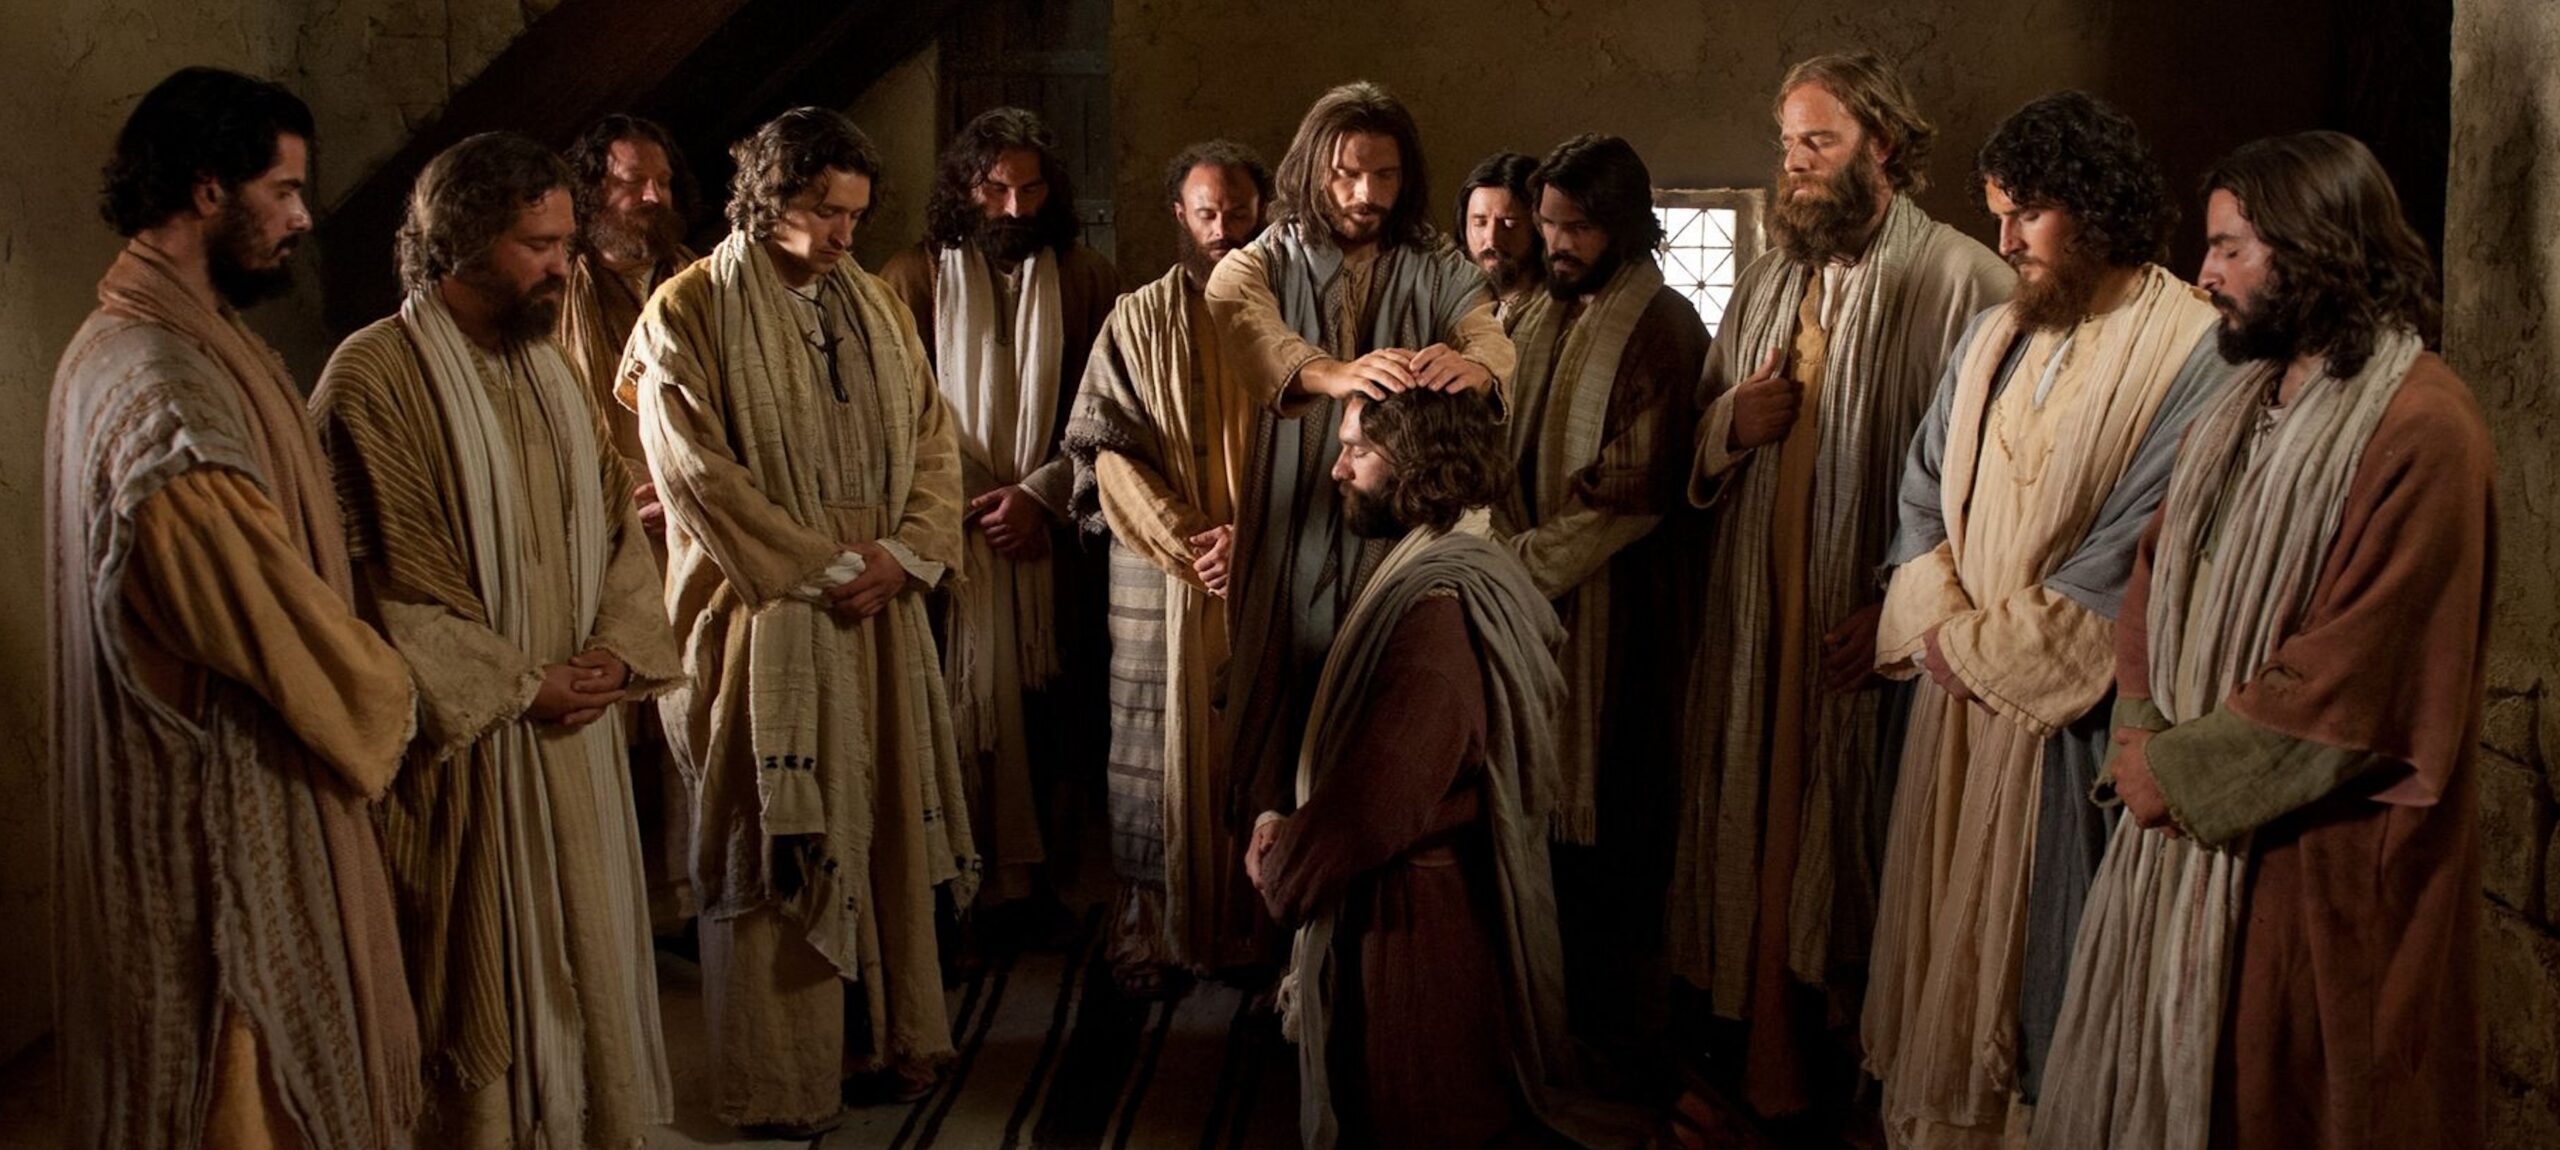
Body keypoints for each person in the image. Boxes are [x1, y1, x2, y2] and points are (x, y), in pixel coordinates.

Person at [2034, 131, 2490, 1150]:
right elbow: (2157, 572)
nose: (2204, 275)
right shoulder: (2240, 403)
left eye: (2230, 248)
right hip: (2182, 829)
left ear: (2316, 244)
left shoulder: (2423, 426)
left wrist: (2177, 770)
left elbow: (2364, 666)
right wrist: (2140, 728)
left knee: (2286, 1099)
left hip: (2313, 858)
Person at [46, 65, 421, 1150]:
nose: (303, 217)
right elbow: (257, 609)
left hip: (230, 775)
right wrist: (395, 699)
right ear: (208, 189)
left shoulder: (174, 341)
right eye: (283, 190)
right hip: (213, 820)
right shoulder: (156, 383)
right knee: (235, 1092)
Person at [1859, 91, 2238, 1148]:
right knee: (1940, 943)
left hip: (2065, 719)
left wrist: (1982, 650)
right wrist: (1943, 626)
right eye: (1997, 215)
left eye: (2027, 213)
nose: (2006, 242)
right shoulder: (1994, 334)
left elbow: (2138, 545)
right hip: (1956, 698)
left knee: (2048, 975)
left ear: (2096, 205)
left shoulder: (2195, 350)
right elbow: (1921, 493)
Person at [311, 130, 683, 1149]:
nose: (563, 266)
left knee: (588, 959)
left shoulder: (548, 367)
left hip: (575, 732)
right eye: (537, 246)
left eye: (564, 241)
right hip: (468, 747)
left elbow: (615, 529)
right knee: (477, 980)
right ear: (458, 245)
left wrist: (616, 649)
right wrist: (521, 687)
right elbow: (378, 585)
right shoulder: (373, 378)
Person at [1665, 51, 2013, 1116]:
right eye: (1787, 145)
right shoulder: (1772, 277)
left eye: (1819, 142)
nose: (1796, 165)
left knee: (1853, 854)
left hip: (1871, 634)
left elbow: (1995, 493)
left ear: (1884, 148)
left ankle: (1842, 1089)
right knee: (1752, 831)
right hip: (1758, 624)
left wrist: (1898, 613)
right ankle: (1749, 1059)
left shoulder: (1962, 281)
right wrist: (1733, 426)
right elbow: (1705, 420)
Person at [620, 107, 978, 1132]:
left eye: (856, 215)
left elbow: (934, 442)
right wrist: (825, 568)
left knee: (884, 824)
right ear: (768, 198)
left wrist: (904, 555)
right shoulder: (688, 308)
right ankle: (783, 1078)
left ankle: (892, 1034)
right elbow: (695, 476)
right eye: (824, 212)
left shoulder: (874, 305)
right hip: (761, 610)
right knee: (776, 835)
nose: (842, 235)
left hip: (877, 607)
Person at [1248, 388, 1570, 1150]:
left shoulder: (1437, 616)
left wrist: (1283, 866)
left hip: (1414, 940)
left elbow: (1375, 805)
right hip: (1424, 911)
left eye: (1358, 450)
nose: (1337, 470)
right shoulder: (1443, 567)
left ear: (1419, 465)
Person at [1206, 79, 1514, 848]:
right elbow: (1244, 320)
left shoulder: (1436, 263)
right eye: (1347, 173)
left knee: (1392, 708)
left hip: (1394, 526)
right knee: (1278, 698)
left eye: (1385, 175)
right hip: (1290, 527)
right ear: (1312, 169)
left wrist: (1478, 367)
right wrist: (1331, 373)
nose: (1366, 194)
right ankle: (1281, 876)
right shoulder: (1261, 262)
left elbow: (1487, 328)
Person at [1496, 132, 1709, 1060]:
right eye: (1548, 223)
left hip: (1623, 622)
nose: (1557, 243)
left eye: (1577, 227)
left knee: (1616, 832)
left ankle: (1621, 1048)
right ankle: (1545, 1029)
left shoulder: (1664, 326)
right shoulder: (1533, 316)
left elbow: (1636, 490)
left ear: (1623, 227)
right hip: (1530, 607)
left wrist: (1517, 567)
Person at [882, 106, 1120, 910]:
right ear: (964, 186)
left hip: (1054, 539)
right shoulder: (907, 281)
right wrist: (981, 503)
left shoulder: (1089, 280)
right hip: (948, 544)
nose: (1015, 208)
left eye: (1032, 189)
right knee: (948, 722)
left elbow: (1114, 410)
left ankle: (1048, 891)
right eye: (995, 189)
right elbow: (891, 420)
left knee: (1059, 714)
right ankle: (958, 899)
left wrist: (1039, 497)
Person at [1062, 139, 1273, 994]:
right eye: (1207, 212)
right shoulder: (1135, 318)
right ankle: (1150, 933)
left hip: (1271, 565)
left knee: (1263, 739)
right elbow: (1103, 452)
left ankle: (1257, 929)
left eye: (1238, 212)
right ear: (1180, 215)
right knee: (1151, 747)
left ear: (1265, 212)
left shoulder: (1298, 319)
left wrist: (1253, 538)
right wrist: (1192, 539)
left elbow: (1328, 441)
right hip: (1160, 573)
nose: (1224, 229)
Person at [556, 111, 704, 940]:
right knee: (614, 721)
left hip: (693, 537)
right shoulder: (559, 289)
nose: (652, 197)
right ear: (592, 192)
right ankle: (614, 912)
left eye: (663, 182)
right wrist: (618, 493)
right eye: (631, 183)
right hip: (595, 542)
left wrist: (688, 487)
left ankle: (684, 902)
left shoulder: (699, 284)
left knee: (688, 714)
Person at [1455, 150, 1545, 328]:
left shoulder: (1559, 312)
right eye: (1480, 223)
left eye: (1510, 224)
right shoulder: (1447, 304)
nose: (1492, 239)